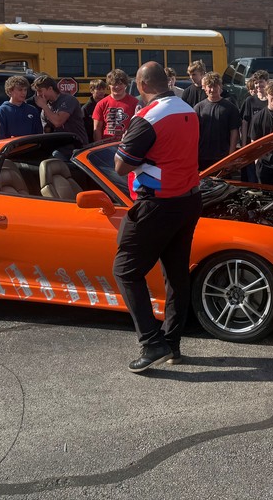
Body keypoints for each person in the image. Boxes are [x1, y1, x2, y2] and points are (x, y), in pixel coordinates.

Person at [112, 62, 201, 373]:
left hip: (157, 203)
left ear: (142, 85)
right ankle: (172, 343)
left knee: (125, 270)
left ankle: (152, 342)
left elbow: (120, 166)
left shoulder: (147, 117)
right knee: (176, 274)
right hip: (188, 199)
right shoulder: (189, 110)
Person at [193, 71, 241, 170]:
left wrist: (230, 156)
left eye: (215, 86)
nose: (212, 90)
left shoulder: (230, 108)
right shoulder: (198, 108)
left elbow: (234, 133)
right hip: (202, 156)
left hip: (222, 157)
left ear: (220, 87)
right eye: (209, 86)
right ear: (204, 88)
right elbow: (193, 134)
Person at [33, 74, 88, 145]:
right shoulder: (45, 110)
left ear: (50, 89)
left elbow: (58, 122)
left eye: (40, 91)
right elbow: (47, 132)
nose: (38, 95)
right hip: (59, 146)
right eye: (37, 92)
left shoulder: (68, 100)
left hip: (77, 145)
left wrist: (44, 106)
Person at [93, 69, 139, 141]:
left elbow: (138, 127)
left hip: (127, 144)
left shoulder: (135, 103)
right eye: (114, 84)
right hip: (107, 145)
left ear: (125, 85)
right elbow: (97, 129)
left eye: (120, 84)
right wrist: (99, 145)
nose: (117, 87)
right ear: (109, 85)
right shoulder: (101, 104)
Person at [239, 70, 269, 182]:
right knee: (252, 175)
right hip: (251, 143)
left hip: (267, 144)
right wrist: (243, 145)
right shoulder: (250, 100)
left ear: (267, 82)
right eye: (256, 83)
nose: (258, 85)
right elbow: (245, 122)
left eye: (261, 82)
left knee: (265, 176)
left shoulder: (271, 101)